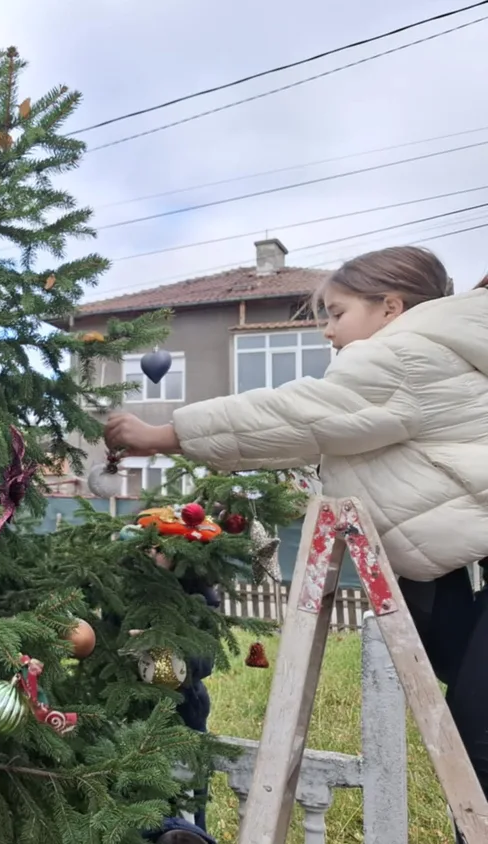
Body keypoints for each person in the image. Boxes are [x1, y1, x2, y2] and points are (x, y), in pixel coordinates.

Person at [104, 247, 488, 836]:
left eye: (336, 312)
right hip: (462, 577)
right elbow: (327, 438)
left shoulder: (410, 353)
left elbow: (300, 414)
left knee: (483, 743)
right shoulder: (442, 352)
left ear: (392, 306)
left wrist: (165, 434)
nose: (328, 330)